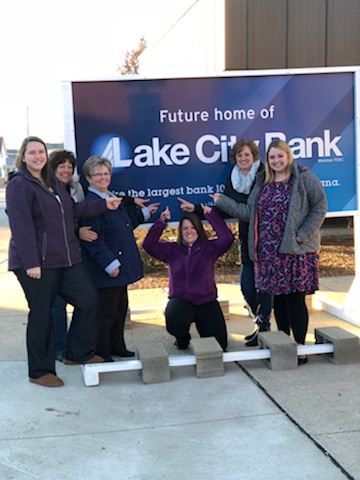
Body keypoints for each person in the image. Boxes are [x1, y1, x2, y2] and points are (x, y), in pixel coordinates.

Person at [6, 136, 122, 387]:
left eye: (41, 152)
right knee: (42, 314)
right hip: (38, 262)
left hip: (67, 259)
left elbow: (74, 210)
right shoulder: (19, 185)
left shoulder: (52, 182)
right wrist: (31, 262)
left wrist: (105, 205)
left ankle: (76, 354)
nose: (38, 156)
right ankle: (39, 371)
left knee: (88, 299)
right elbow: (22, 225)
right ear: (23, 157)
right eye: (32, 152)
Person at [214, 139, 327, 364]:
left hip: (295, 250)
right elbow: (248, 212)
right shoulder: (262, 182)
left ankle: (301, 346)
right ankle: (284, 344)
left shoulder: (304, 178)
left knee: (295, 299)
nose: (276, 161)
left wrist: (302, 235)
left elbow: (320, 206)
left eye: (280, 156)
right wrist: (222, 202)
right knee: (280, 301)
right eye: (272, 157)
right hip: (269, 253)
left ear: (288, 156)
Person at [178, 139, 273, 346]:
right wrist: (196, 208)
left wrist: (224, 201)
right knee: (247, 287)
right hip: (247, 241)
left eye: (247, 155)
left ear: (255, 156)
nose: (243, 158)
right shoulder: (235, 179)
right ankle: (260, 323)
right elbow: (225, 208)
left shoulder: (264, 176)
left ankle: (264, 327)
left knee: (265, 288)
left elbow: (251, 212)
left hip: (267, 240)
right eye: (239, 155)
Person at [80, 155, 160, 362]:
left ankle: (117, 346)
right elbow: (93, 241)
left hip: (120, 267)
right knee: (105, 314)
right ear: (88, 179)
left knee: (119, 310)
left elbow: (124, 223)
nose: (103, 177)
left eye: (106, 173)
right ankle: (101, 351)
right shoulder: (93, 204)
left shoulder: (111, 198)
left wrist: (144, 213)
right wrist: (110, 264)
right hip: (107, 270)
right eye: (98, 174)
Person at [142, 205, 234, 351]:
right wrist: (161, 222)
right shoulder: (171, 250)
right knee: (174, 322)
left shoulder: (209, 248)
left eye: (192, 227)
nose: (189, 231)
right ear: (180, 231)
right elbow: (148, 245)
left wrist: (211, 216)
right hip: (181, 301)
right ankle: (182, 339)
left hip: (206, 301)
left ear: (198, 229)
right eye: (185, 228)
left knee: (220, 346)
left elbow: (227, 238)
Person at [48, 149, 98, 362]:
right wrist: (76, 232)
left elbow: (91, 204)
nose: (67, 170)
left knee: (86, 300)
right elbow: (50, 224)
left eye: (70, 166)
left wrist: (129, 202)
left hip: (74, 255)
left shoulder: (76, 188)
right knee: (57, 305)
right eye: (62, 165)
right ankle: (61, 349)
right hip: (51, 257)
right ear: (53, 168)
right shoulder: (45, 190)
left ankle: (75, 348)